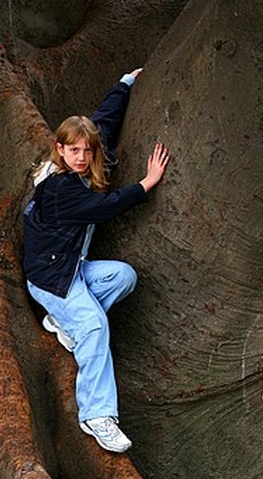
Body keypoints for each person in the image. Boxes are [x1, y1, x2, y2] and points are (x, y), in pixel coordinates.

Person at [23, 69, 169, 452]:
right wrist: (146, 184)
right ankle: (96, 415)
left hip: (72, 267)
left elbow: (103, 120)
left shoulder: (85, 154)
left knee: (123, 276)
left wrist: (125, 83)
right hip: (53, 279)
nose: (84, 158)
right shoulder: (59, 189)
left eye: (88, 151)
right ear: (60, 149)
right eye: (75, 151)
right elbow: (106, 207)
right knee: (95, 327)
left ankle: (62, 322)